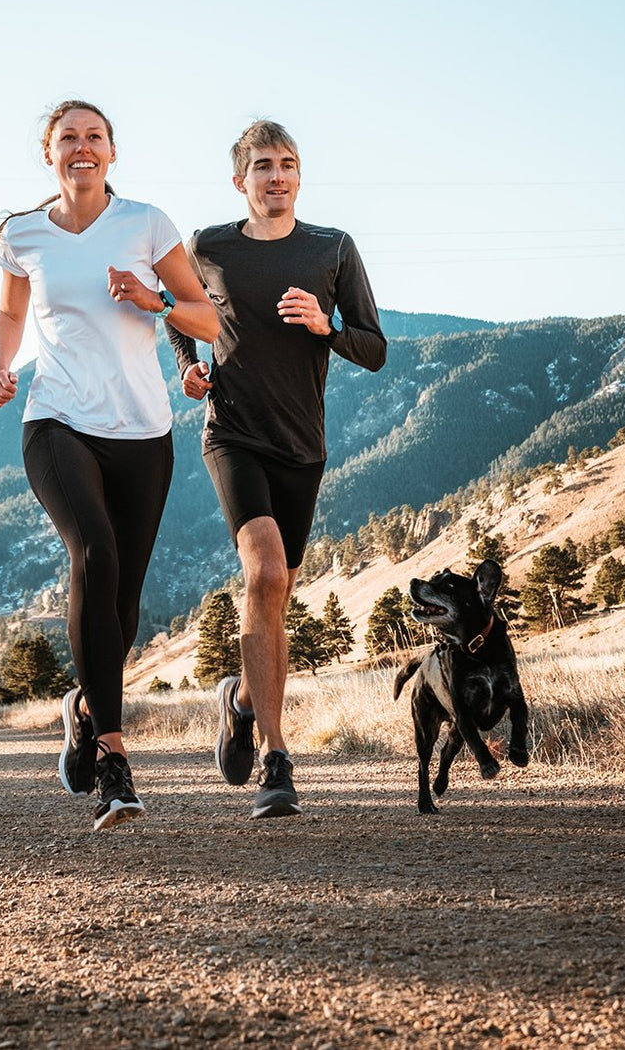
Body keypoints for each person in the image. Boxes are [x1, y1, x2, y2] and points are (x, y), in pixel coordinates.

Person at [0, 99, 218, 832]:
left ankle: (85, 706)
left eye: (94, 138)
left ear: (112, 152)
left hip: (143, 432)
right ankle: (115, 761)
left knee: (122, 604)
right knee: (93, 551)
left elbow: (207, 318)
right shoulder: (24, 234)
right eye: (67, 140)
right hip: (55, 420)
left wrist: (153, 299)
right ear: (48, 154)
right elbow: (10, 313)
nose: (81, 149)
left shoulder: (147, 223)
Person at [166, 119, 386, 819]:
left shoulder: (332, 249)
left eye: (287, 164)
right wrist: (189, 367)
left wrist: (328, 327)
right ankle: (276, 756)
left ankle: (239, 696)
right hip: (232, 435)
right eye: (262, 165)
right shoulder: (210, 247)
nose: (277, 175)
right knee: (262, 572)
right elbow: (178, 309)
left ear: (299, 175)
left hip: (303, 447)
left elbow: (376, 348)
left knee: (280, 588)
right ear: (241, 180)